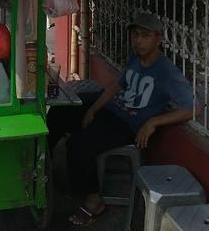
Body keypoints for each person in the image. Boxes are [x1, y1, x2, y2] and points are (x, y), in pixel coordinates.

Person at [47, 12, 196, 227]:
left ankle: (93, 200)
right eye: (135, 35)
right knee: (61, 111)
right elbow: (116, 86)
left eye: (145, 36)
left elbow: (193, 108)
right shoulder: (135, 60)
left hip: (127, 123)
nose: (138, 40)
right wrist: (93, 110)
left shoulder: (167, 72)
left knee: (78, 145)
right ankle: (45, 166)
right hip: (112, 108)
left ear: (158, 39)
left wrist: (153, 122)